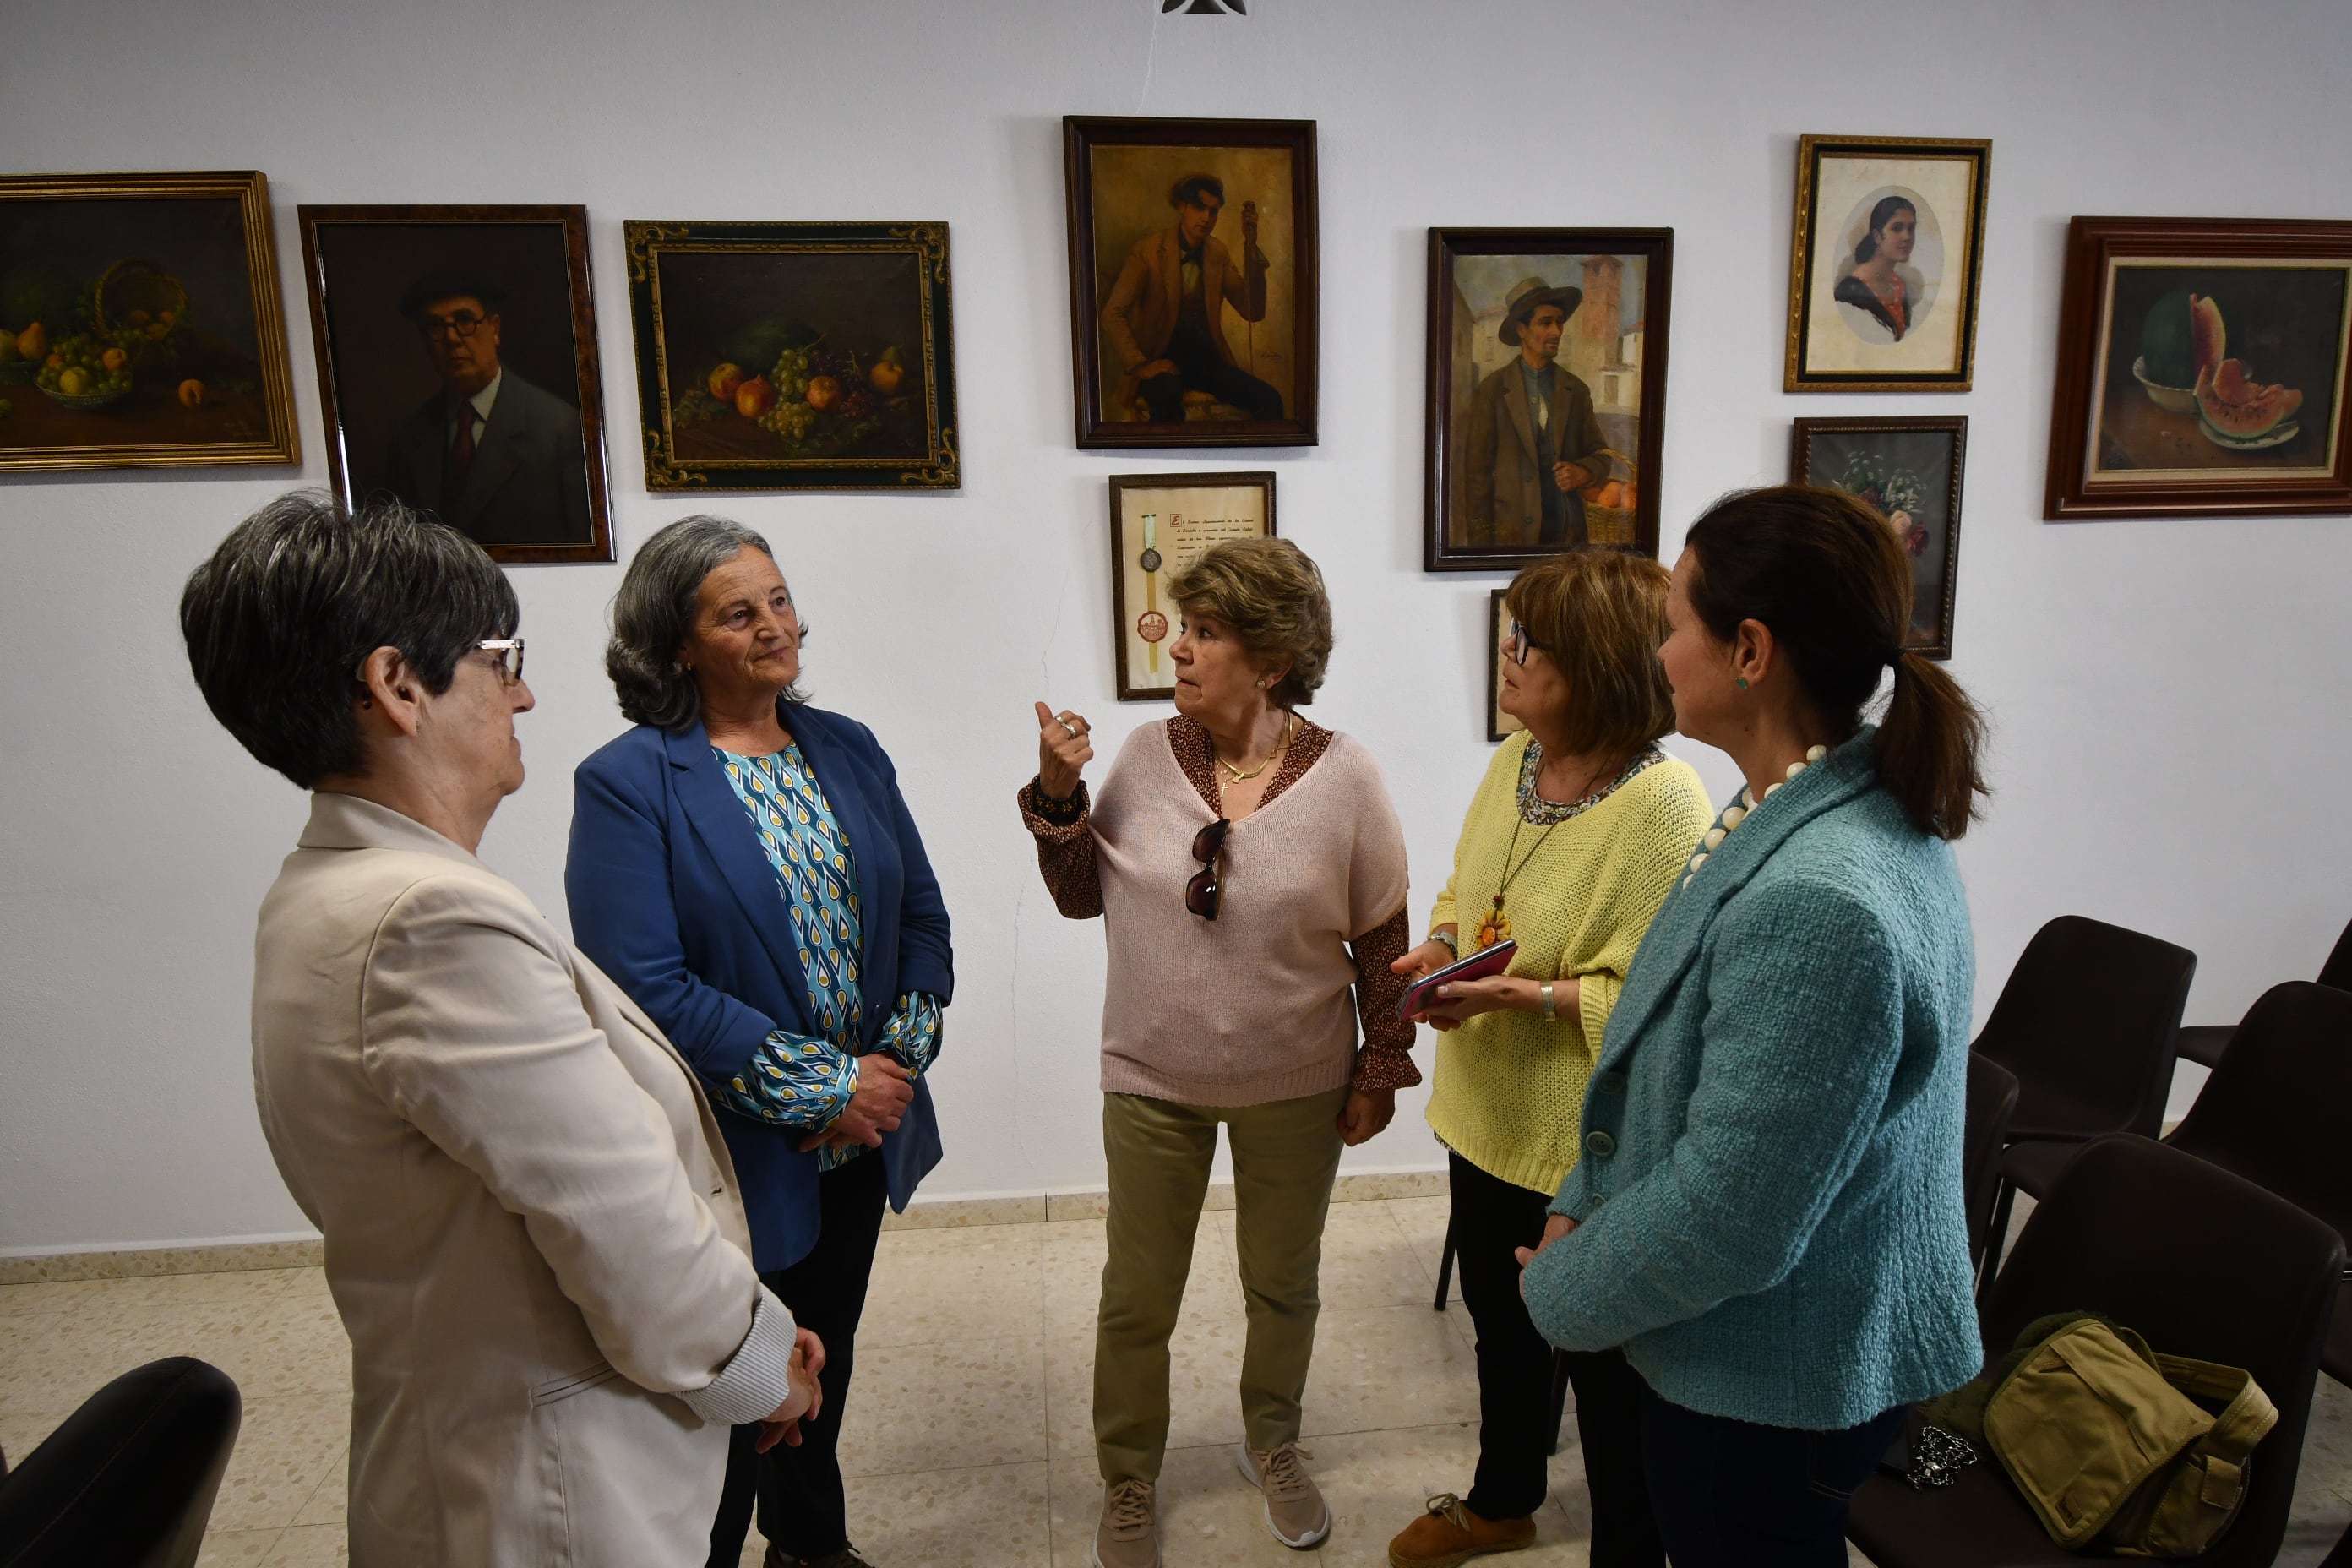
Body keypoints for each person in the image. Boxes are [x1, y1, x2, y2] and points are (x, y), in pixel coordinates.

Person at [178, 493, 819, 1568]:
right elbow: (625, 1227)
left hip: (467, 1438)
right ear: (396, 685)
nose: (521, 690)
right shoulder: (434, 921)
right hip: (551, 1492)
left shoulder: (327, 887)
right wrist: (761, 1366)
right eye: (497, 658)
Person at [1517, 484, 1990, 1566]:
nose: (1660, 645)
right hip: (1770, 1345)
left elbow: (1732, 1214)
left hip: (1773, 1378)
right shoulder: (1812, 808)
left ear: (1750, 651)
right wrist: (1581, 1205)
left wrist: (1560, 1288)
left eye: (1676, 619)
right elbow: (1677, 1076)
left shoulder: (1823, 895)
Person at [1019, 537, 1415, 1568]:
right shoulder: (1148, 758)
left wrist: (1379, 1068)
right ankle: (1128, 1474)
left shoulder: (1349, 777)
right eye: (1181, 627)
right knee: (1138, 1292)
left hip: (1299, 1078)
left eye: (1205, 632)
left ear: (1272, 656)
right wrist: (1058, 792)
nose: (1178, 649)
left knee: (1283, 1280)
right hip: (1154, 1079)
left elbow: (1381, 938)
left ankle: (1273, 1443)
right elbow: (1076, 895)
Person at [567, 515, 953, 1568]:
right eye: (740, 612)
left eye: (779, 600)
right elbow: (639, 984)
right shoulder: (628, 781)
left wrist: (893, 1072)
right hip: (740, 1151)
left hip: (862, 1140)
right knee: (741, 1385)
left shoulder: (848, 748)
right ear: (676, 644)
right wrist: (828, 1084)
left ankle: (808, 1545)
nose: (777, 627)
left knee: (828, 1354)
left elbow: (921, 914)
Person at [1384, 550, 1714, 1568]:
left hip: (1591, 1145)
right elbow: (1462, 884)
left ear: (1601, 666)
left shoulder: (1665, 806)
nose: (1509, 658)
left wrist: (1525, 994)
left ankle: (1628, 1547)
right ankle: (1504, 1498)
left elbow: (1663, 1009)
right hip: (1486, 1114)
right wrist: (1443, 950)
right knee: (1503, 1326)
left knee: (1612, 1370)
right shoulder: (1513, 763)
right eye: (1511, 636)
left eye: (1532, 645)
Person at [384, 269, 592, 547]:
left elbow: (582, 545)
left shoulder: (557, 427)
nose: (452, 338)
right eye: (435, 327)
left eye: (465, 320)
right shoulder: (411, 438)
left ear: (494, 329)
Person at [1101, 172, 1285, 424]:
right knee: (1166, 400)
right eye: (1200, 207)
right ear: (1182, 206)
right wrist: (1141, 365)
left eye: (1213, 211)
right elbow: (1113, 313)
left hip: (1207, 362)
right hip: (1160, 361)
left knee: (1270, 400)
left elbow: (1252, 311)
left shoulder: (1217, 253)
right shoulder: (1148, 251)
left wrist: (1250, 247)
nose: (1206, 218)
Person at [1462, 277, 1609, 548]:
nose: (1557, 331)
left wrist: (1583, 472)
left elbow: (1602, 456)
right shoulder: (1492, 391)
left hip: (1567, 539)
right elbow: (1476, 479)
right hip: (1511, 537)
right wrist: (1480, 549)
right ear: (1521, 329)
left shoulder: (1576, 391)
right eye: (1546, 322)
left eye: (1559, 322)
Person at [1834, 197, 1921, 342]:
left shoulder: (1900, 285)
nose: (1907, 236)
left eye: (1911, 228)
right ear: (1877, 236)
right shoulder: (1849, 292)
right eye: (1897, 228)